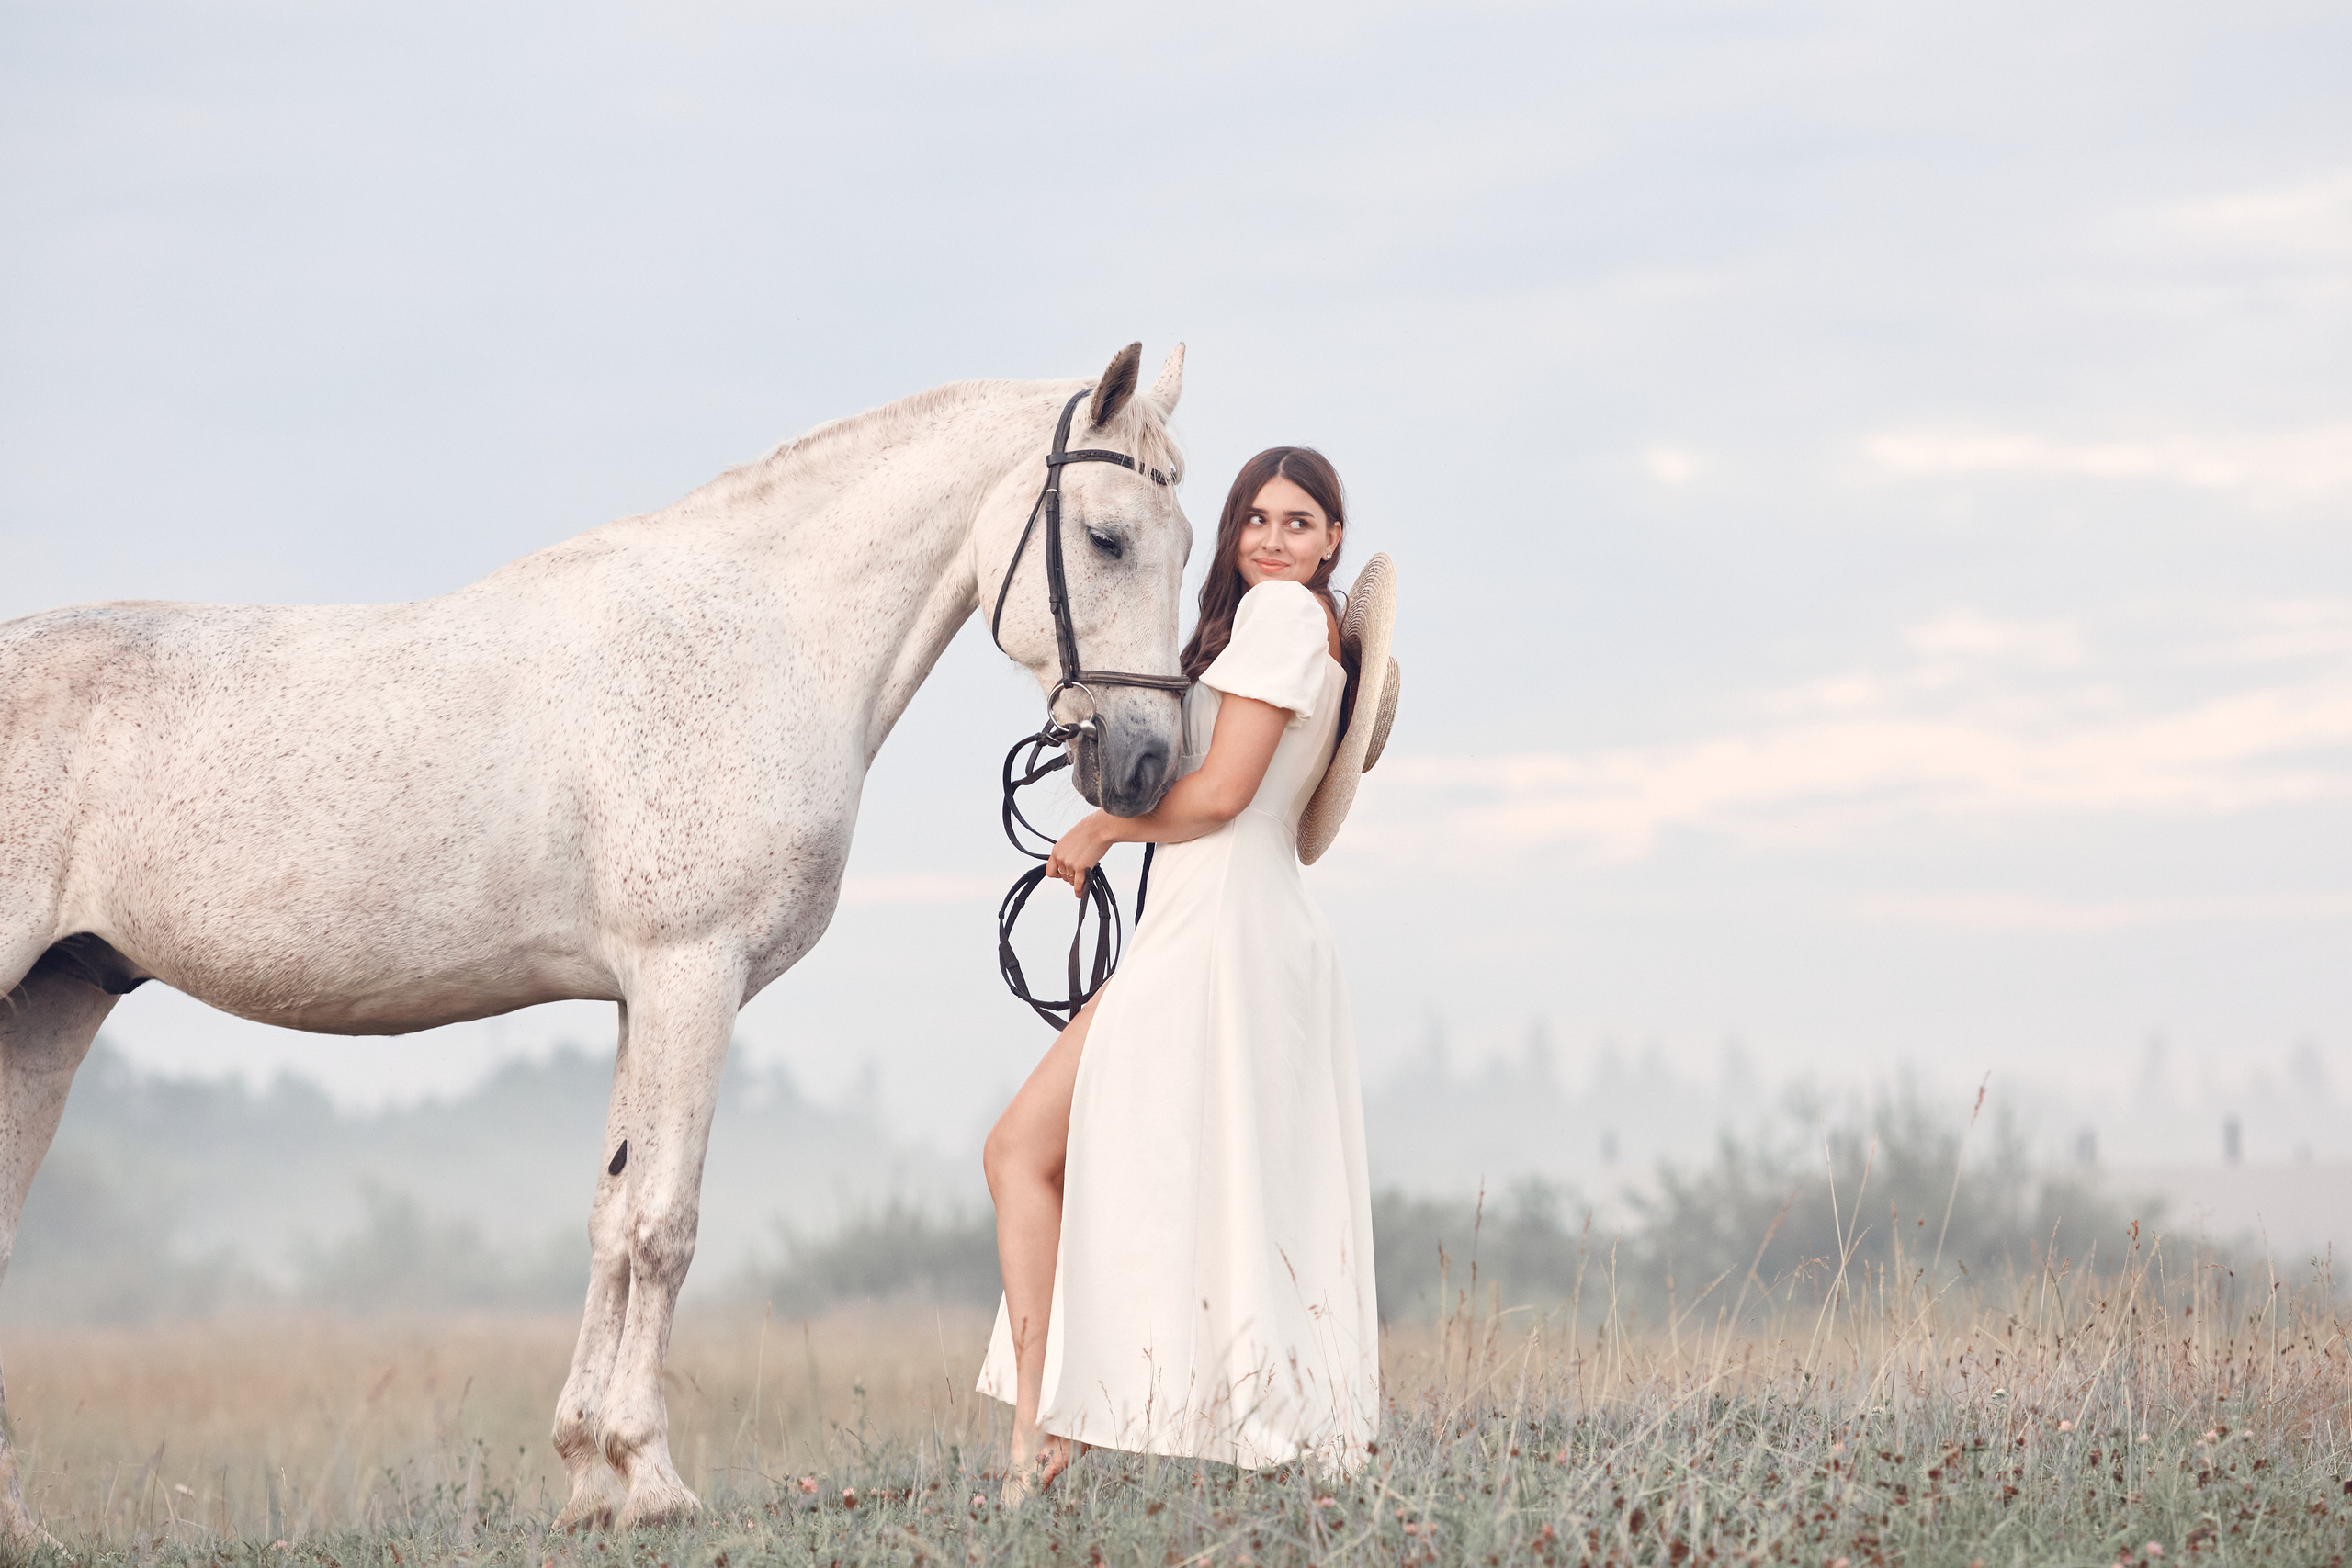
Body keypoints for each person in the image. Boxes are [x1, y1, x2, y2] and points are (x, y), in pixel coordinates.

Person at [978, 446, 1393, 1499]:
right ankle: (1058, 1428)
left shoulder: (1286, 618)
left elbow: (1219, 796)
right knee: (1195, 1177)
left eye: (1297, 522)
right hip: (1220, 915)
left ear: (1333, 539)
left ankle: (1043, 1434)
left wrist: (1103, 829)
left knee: (1026, 1149)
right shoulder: (1280, 626)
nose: (1271, 540)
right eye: (1255, 518)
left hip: (1220, 921)